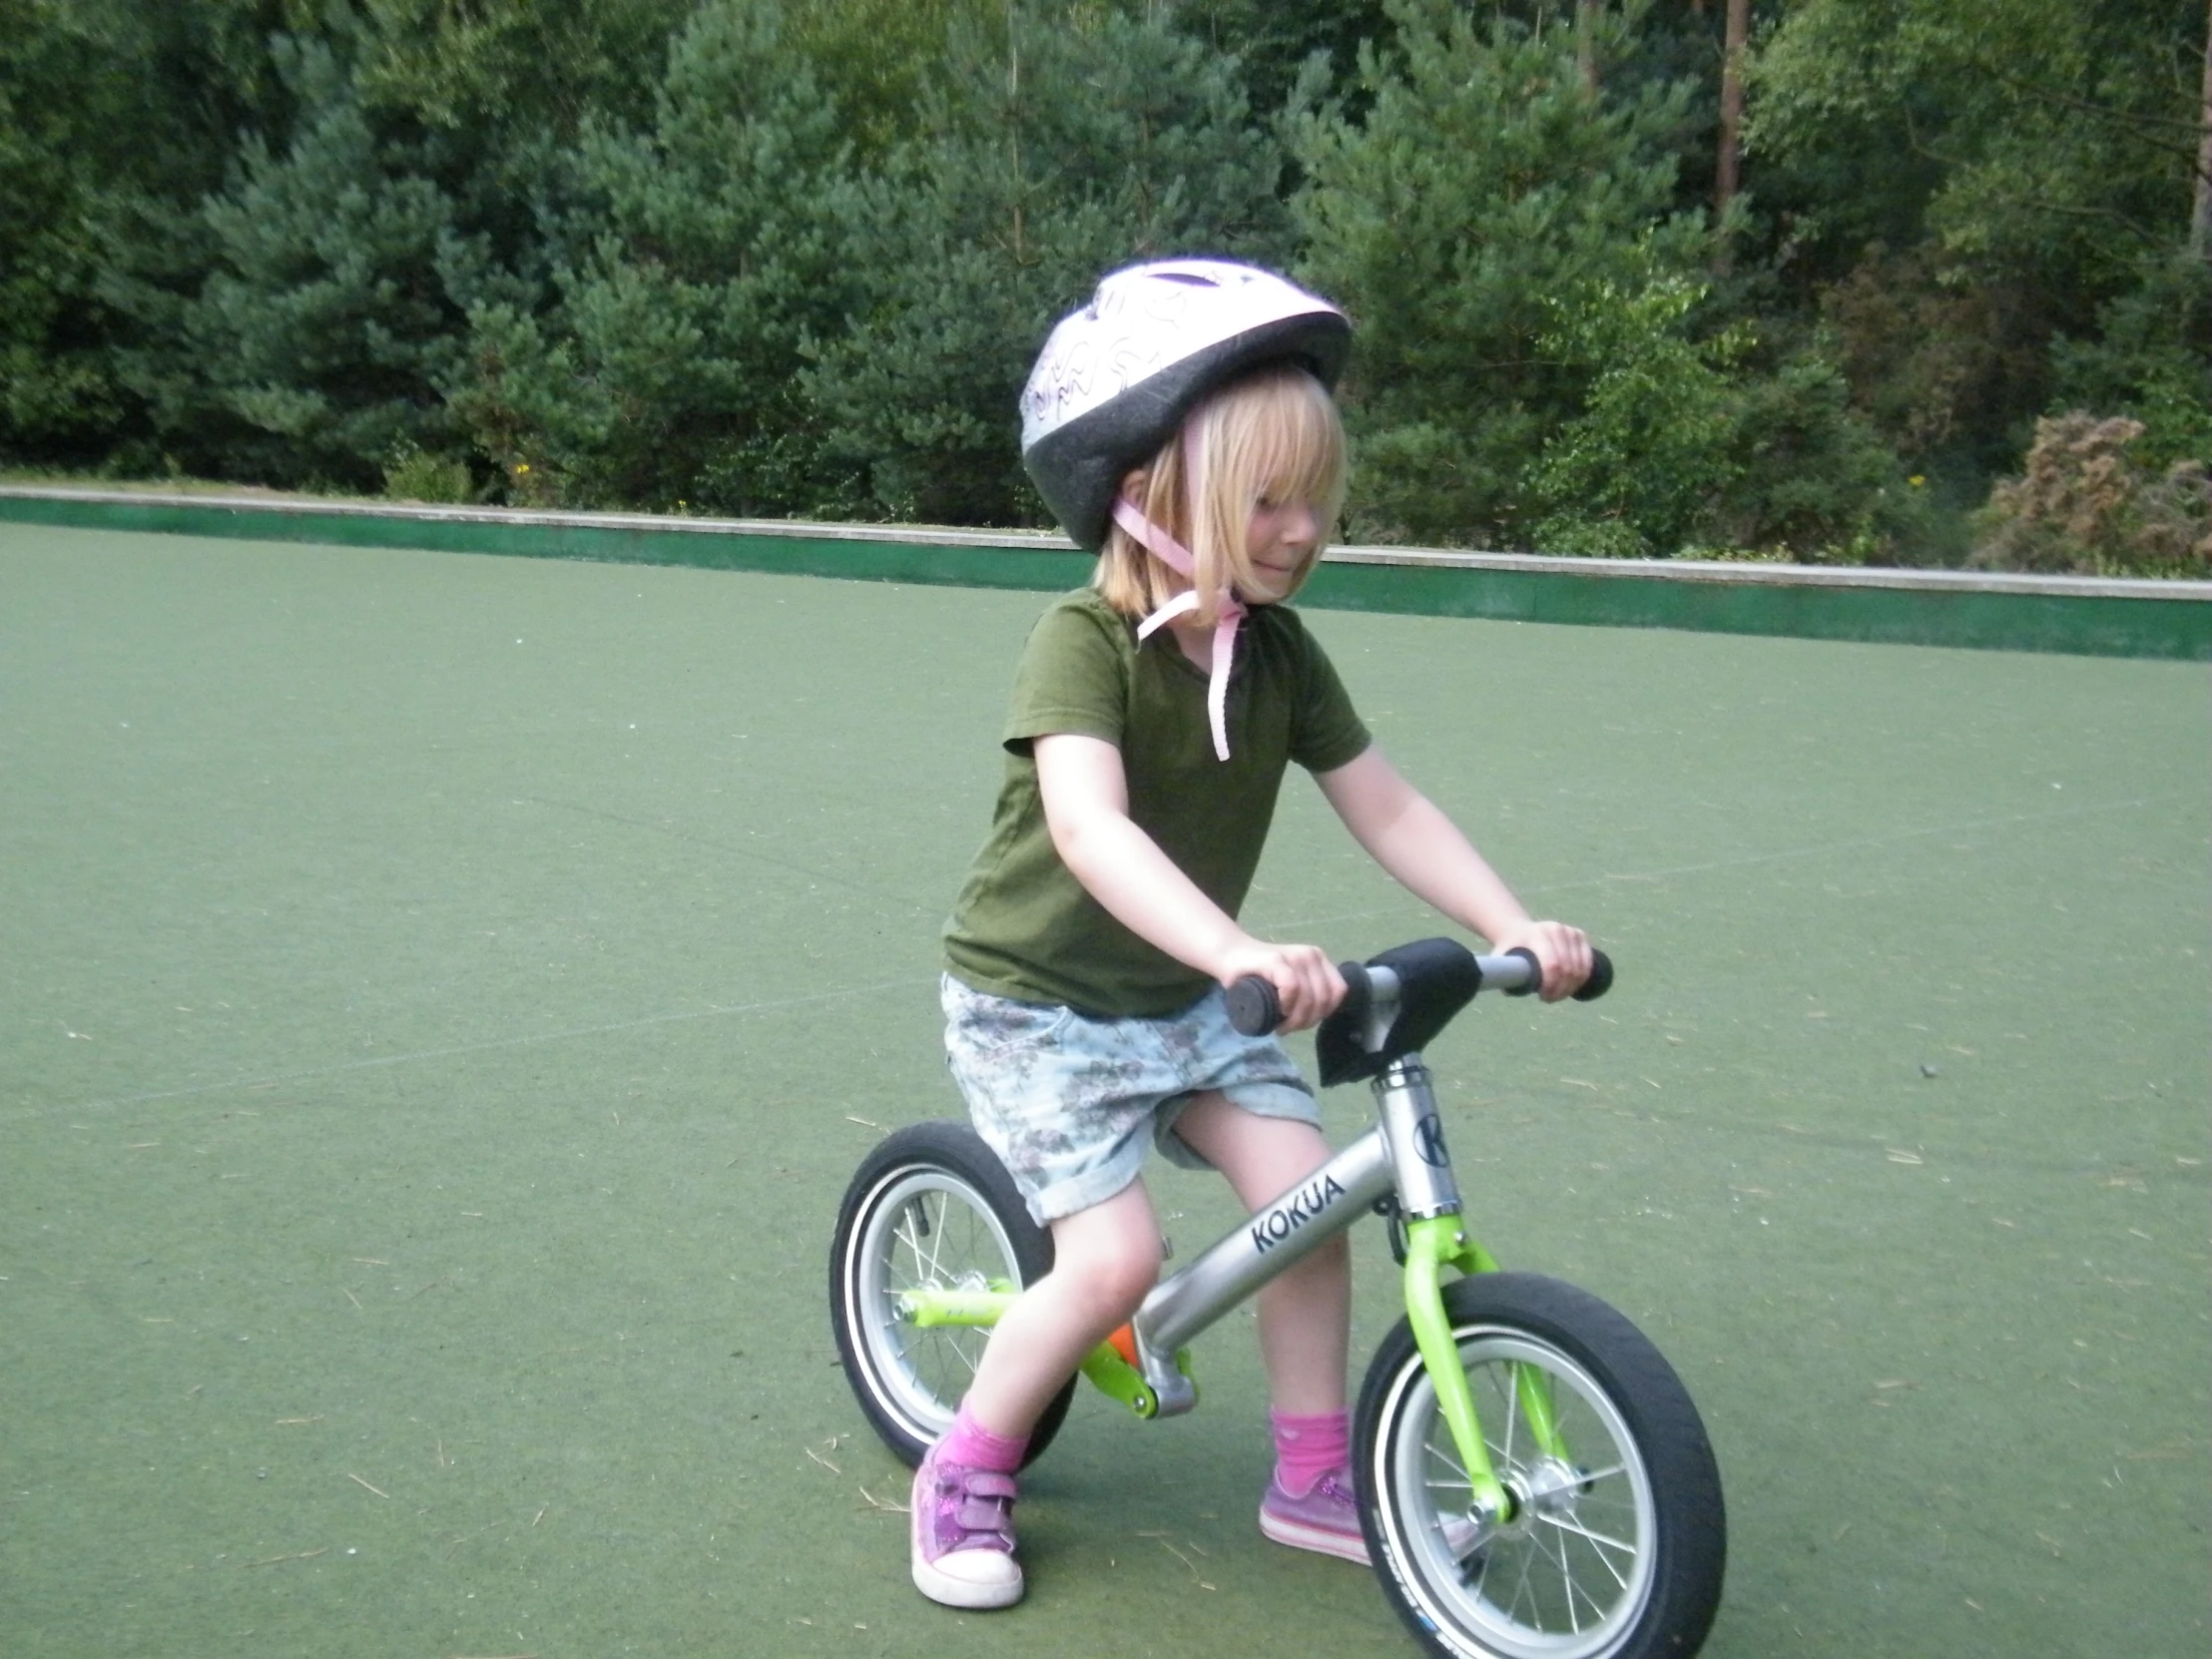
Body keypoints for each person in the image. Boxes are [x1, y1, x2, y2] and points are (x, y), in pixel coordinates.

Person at [914, 259, 1592, 1610]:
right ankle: (967, 1462)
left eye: (1317, 499)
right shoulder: (1083, 642)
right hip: (1039, 1003)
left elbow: (1386, 805)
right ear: (1150, 493)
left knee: (1306, 1208)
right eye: (1265, 498)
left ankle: (1312, 1475)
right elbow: (1095, 831)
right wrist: (1233, 946)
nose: (1300, 529)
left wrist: (1510, 923)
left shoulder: (1283, 656)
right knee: (1112, 1259)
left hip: (1196, 1005)